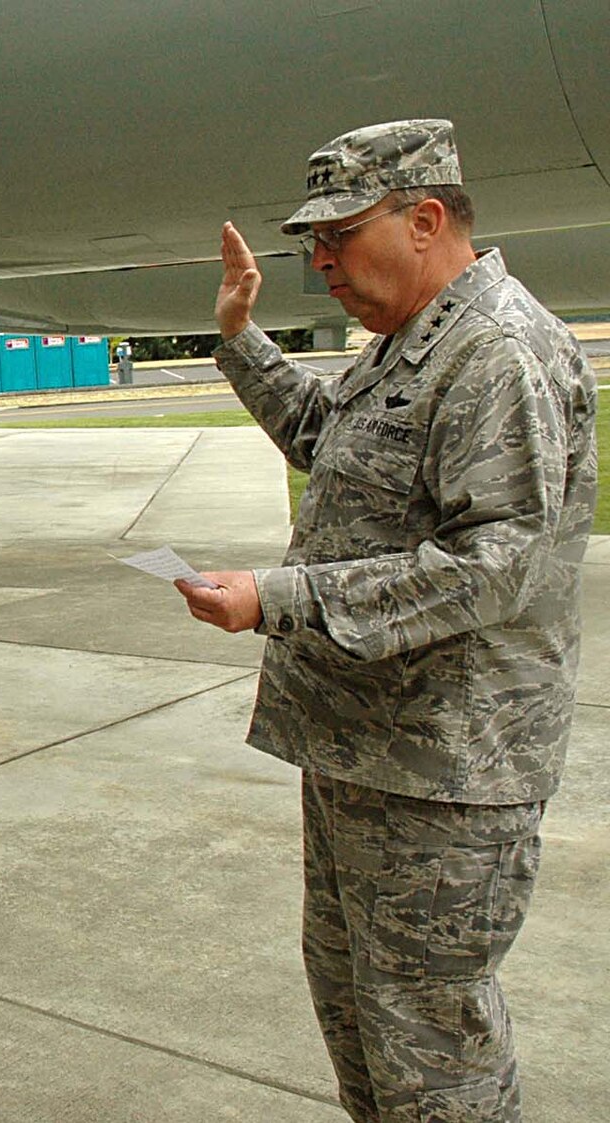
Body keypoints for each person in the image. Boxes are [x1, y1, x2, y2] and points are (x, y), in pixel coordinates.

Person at [177, 119, 595, 1123]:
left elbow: (494, 566)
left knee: (430, 1051)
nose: (318, 262)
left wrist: (278, 602)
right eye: (308, 242)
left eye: (339, 234)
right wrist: (240, 340)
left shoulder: (493, 349)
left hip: (442, 776)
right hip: (369, 752)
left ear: (424, 218)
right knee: (364, 1021)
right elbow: (331, 443)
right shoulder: (416, 339)